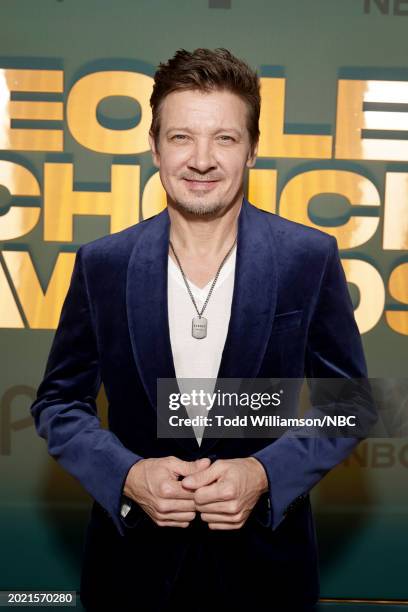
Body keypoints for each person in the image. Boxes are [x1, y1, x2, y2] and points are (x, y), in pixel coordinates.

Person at [30, 48, 368, 612]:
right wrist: (128, 474)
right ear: (155, 147)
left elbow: (352, 402)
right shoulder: (102, 264)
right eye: (182, 137)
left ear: (253, 149)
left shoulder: (308, 257)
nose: (202, 159)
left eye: (225, 139)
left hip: (266, 572)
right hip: (131, 572)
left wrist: (263, 472)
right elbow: (59, 401)